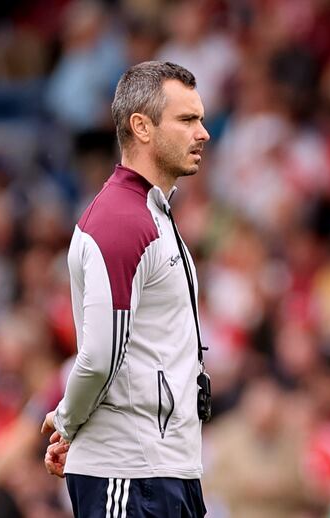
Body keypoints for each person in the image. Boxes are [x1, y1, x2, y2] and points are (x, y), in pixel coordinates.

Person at [40, 60, 211, 517]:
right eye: (187, 119)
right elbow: (98, 357)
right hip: (130, 476)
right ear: (141, 127)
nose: (203, 133)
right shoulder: (120, 220)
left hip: (166, 471)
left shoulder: (153, 212)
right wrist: (68, 423)